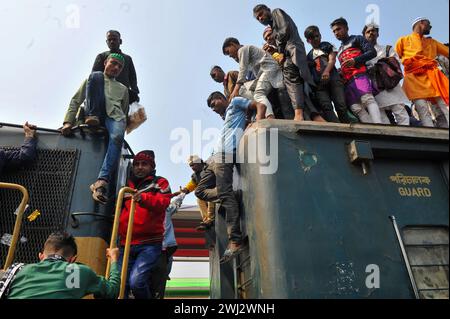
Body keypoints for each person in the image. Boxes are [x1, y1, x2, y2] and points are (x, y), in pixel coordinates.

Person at [195, 92, 265, 263]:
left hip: (226, 155)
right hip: (214, 158)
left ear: (222, 98)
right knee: (200, 191)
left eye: (214, 103)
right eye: (210, 107)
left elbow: (259, 105)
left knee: (225, 195)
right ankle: (228, 194)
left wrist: (258, 121)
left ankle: (235, 240)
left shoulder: (235, 103)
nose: (213, 107)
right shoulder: (227, 116)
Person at [61, 53, 129, 204]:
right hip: (93, 113)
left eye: (119, 66)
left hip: (114, 117)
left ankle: (101, 181)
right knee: (96, 76)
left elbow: (123, 111)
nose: (116, 67)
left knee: (118, 137)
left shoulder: (123, 89)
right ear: (105, 62)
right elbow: (75, 101)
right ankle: (93, 117)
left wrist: (118, 129)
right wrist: (68, 122)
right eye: (113, 63)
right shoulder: (93, 79)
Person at [118, 150, 171, 299]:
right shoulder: (124, 183)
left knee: (137, 282)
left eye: (144, 164)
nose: (140, 167)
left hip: (149, 244)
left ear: (152, 167)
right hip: (125, 243)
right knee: (121, 285)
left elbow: (164, 203)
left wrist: (143, 198)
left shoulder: (160, 182)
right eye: (137, 164)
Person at [254, 4, 321, 122]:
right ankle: (316, 118)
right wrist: (275, 51)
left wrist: (280, 52)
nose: (260, 18)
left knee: (291, 81)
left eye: (261, 14)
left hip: (292, 52)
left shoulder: (276, 12)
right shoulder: (273, 27)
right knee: (298, 88)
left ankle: (298, 116)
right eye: (257, 18)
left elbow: (284, 31)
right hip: (291, 54)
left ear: (267, 10)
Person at [5, 231, 120, 299]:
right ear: (73, 259)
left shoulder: (18, 270)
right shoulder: (78, 271)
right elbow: (112, 291)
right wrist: (114, 259)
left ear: (40, 256)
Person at [396, 17, 449, 128]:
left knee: (445, 104)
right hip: (413, 78)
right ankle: (431, 137)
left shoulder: (432, 42)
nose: (431, 26)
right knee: (422, 108)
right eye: (429, 24)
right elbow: (398, 56)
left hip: (432, 76)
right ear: (421, 23)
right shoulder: (403, 40)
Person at [331, 17, 382, 124]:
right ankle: (369, 130)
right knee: (355, 107)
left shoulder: (357, 39)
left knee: (367, 99)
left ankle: (378, 125)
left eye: (339, 29)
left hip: (360, 75)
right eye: (334, 31)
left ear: (346, 28)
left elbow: (372, 52)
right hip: (347, 81)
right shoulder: (339, 50)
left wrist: (355, 60)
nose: (336, 33)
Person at [304, 25, 358, 123]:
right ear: (308, 41)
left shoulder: (326, 45)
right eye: (312, 37)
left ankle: (346, 128)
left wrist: (326, 71)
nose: (316, 39)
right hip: (319, 86)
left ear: (320, 35)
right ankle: (337, 129)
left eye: (317, 36)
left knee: (341, 105)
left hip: (334, 79)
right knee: (326, 107)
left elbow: (332, 59)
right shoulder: (309, 56)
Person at [222, 37, 285, 119]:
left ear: (232, 44)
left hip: (268, 70)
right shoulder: (246, 52)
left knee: (258, 94)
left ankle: (270, 117)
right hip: (262, 75)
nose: (230, 55)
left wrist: (235, 89)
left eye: (228, 52)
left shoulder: (242, 49)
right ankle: (260, 107)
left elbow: (242, 70)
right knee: (243, 90)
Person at [363, 23, 410, 126]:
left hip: (391, 85)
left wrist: (380, 66)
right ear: (364, 36)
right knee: (381, 116)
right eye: (368, 32)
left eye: (373, 31)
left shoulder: (387, 49)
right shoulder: (362, 54)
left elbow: (396, 63)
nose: (371, 33)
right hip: (375, 87)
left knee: (400, 111)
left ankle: (405, 138)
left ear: (378, 34)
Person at [150, 193, 185, 299]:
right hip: (163, 251)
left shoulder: (164, 210)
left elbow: (176, 203)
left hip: (156, 250)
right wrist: (183, 193)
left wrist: (182, 194)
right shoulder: (167, 210)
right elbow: (176, 203)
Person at [92, 30, 140, 104]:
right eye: (109, 40)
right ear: (106, 42)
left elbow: (132, 77)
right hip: (106, 95)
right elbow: (94, 76)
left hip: (123, 96)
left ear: (120, 41)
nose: (112, 41)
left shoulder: (127, 58)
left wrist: (135, 92)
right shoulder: (102, 56)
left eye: (114, 39)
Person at [174, 155, 216, 231]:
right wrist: (185, 190)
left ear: (199, 162)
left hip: (216, 191)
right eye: (190, 166)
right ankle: (206, 220)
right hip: (207, 195)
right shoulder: (195, 176)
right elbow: (191, 184)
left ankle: (210, 219)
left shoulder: (209, 166)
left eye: (193, 165)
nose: (192, 167)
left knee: (210, 197)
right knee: (199, 199)